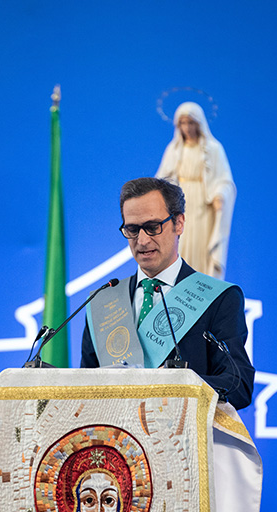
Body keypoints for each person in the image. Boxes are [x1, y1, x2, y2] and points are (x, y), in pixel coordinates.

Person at [80, 177, 254, 410]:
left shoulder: (218, 299)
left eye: (153, 227)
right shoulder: (103, 301)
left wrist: (180, 385)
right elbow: (85, 391)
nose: (142, 240)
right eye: (132, 229)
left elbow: (239, 385)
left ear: (178, 223)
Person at [155, 102, 236, 280]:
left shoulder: (213, 149)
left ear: (199, 124)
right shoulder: (174, 150)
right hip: (178, 204)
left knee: (200, 247)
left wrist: (220, 195)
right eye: (183, 123)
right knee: (179, 243)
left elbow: (224, 180)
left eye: (191, 123)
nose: (187, 128)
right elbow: (161, 179)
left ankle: (201, 286)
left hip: (202, 205)